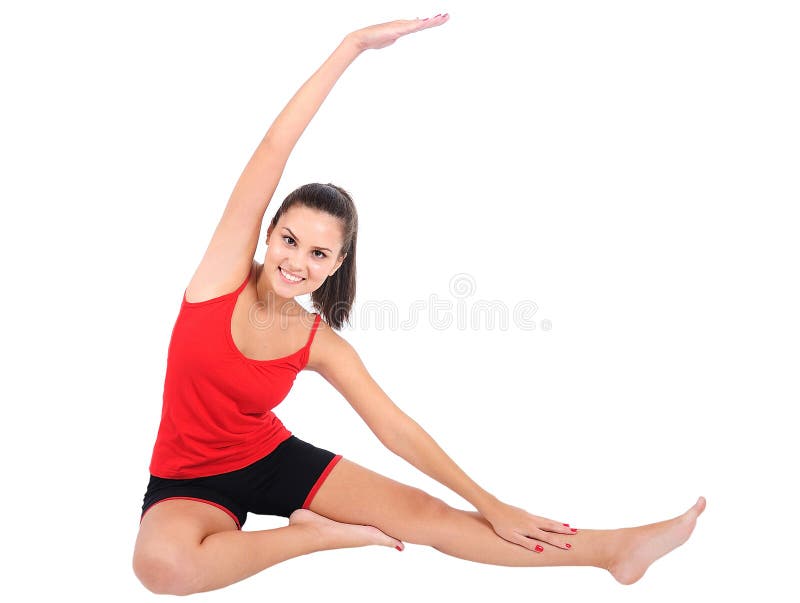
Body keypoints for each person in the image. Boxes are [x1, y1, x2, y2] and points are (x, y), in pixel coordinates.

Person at [132, 14, 706, 596]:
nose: (297, 262)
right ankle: (317, 535)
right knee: (164, 568)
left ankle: (613, 549)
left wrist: (491, 503)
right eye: (289, 240)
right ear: (266, 231)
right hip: (187, 481)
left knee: (430, 517)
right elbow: (274, 147)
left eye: (319, 253)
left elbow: (396, 429)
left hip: (271, 458)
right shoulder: (219, 277)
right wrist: (349, 47)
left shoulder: (318, 342)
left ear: (335, 264)